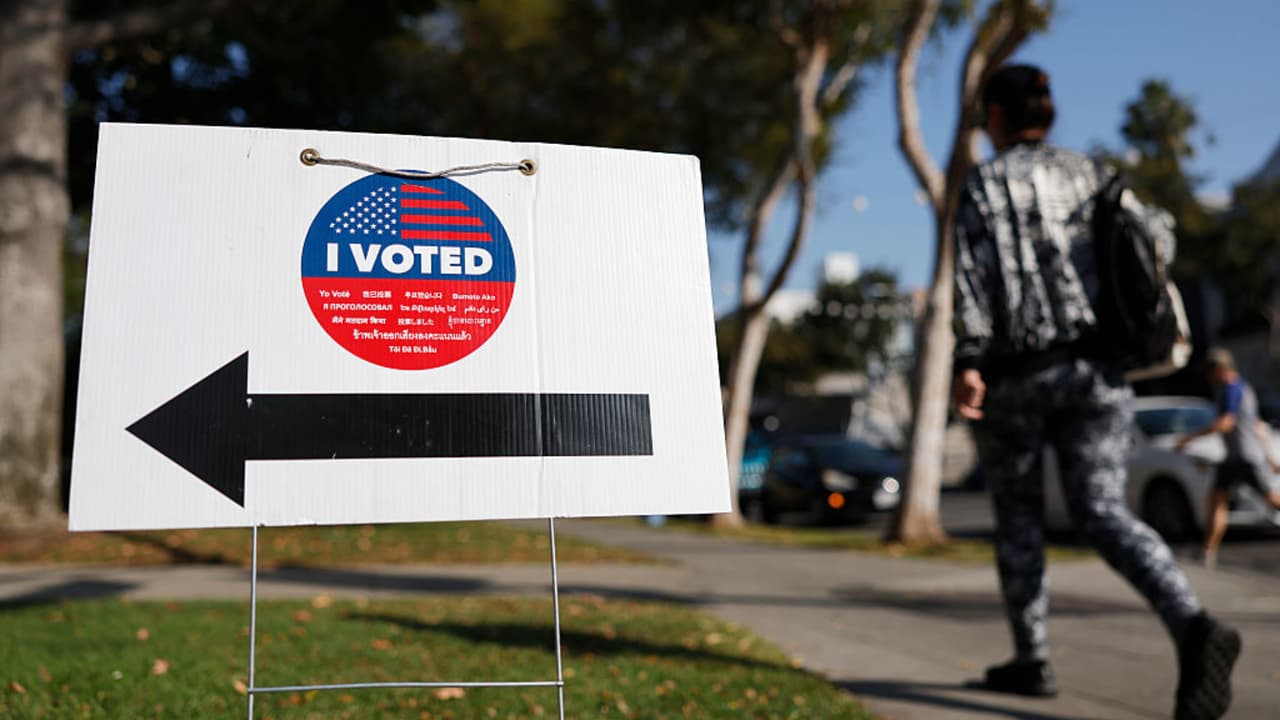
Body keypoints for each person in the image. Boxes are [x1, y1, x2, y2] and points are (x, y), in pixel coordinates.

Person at [951, 63, 1239, 720]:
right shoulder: (1096, 175)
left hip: (1019, 374)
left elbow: (974, 279)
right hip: (1098, 373)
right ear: (1046, 114)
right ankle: (1192, 623)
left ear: (995, 116)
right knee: (1104, 511)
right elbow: (1156, 237)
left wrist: (970, 358)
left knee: (1020, 521)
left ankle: (1033, 659)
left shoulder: (985, 184)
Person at [1176, 348, 1280, 568]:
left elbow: (1226, 422)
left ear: (1221, 370)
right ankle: (1207, 551)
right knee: (1216, 499)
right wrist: (1270, 458)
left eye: (1210, 373)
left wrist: (1189, 438)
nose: (1209, 379)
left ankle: (1207, 551)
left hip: (1243, 456)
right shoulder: (1245, 388)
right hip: (1238, 457)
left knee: (1271, 498)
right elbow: (1258, 427)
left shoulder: (1230, 390)